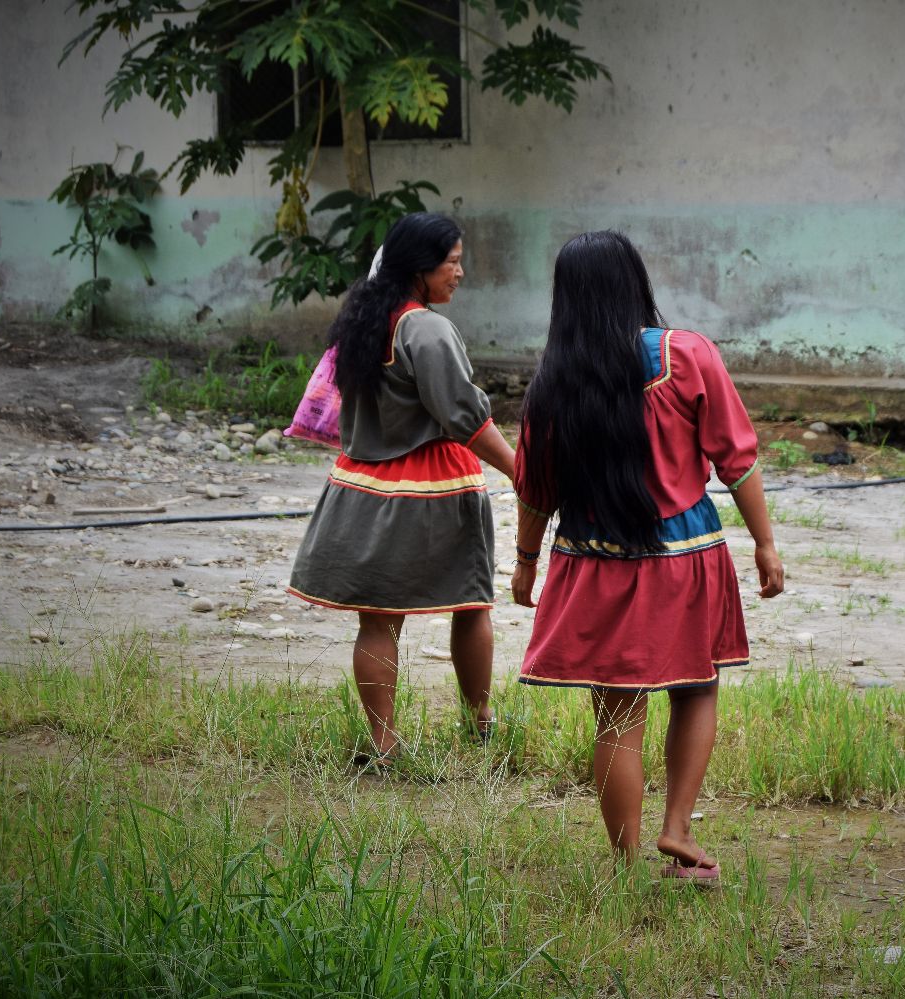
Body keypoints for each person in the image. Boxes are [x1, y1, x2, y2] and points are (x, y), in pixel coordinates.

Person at [510, 231, 784, 881]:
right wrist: (765, 543)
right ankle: (678, 829)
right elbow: (736, 459)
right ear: (636, 283)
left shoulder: (555, 377)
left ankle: (625, 862)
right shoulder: (685, 355)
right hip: (685, 556)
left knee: (616, 715)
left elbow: (535, 487)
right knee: (697, 688)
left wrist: (524, 561)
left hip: (594, 558)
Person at [288, 212, 516, 763]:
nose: (461, 272)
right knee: (471, 603)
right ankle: (479, 719)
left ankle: (383, 743)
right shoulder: (427, 328)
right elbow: (463, 416)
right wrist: (518, 467)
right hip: (435, 489)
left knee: (378, 620)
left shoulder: (365, 322)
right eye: (453, 261)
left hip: (366, 488)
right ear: (420, 267)